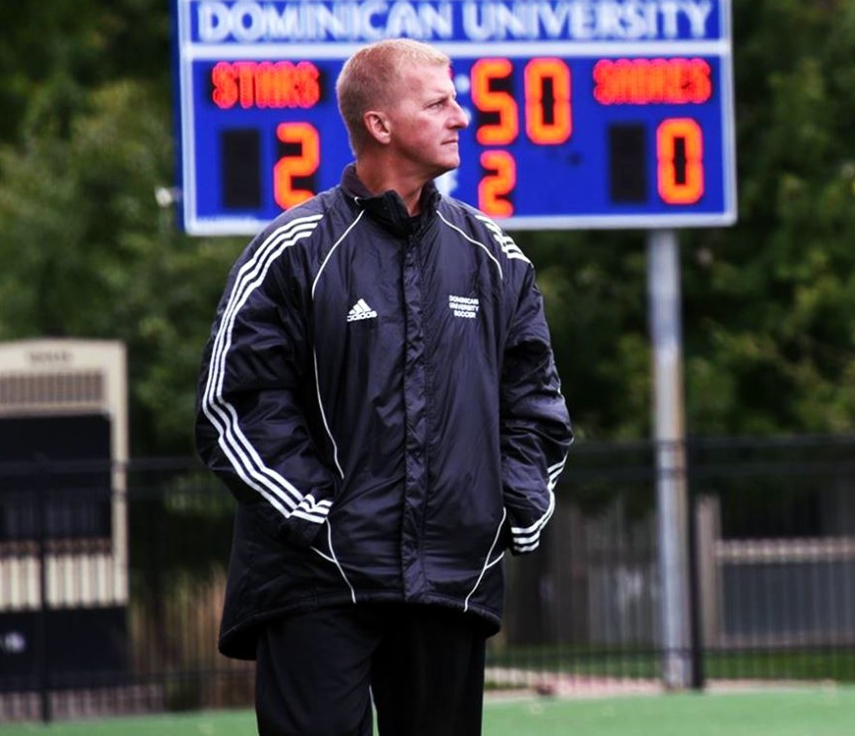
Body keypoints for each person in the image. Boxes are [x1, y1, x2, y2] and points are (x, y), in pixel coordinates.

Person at [194, 37, 573, 736]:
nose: (461, 116)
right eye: (438, 103)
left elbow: (537, 408)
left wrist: (510, 510)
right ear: (380, 124)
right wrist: (316, 517)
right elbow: (234, 406)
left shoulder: (495, 258)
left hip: (450, 577)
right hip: (316, 576)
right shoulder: (292, 250)